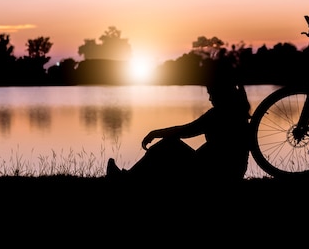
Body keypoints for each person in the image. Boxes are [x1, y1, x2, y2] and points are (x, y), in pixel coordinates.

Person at [106, 58, 252, 183]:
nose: (210, 98)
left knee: (168, 145)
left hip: (217, 173)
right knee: (169, 146)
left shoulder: (220, 114)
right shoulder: (238, 109)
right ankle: (130, 177)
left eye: (212, 94)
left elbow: (186, 130)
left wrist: (156, 133)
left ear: (222, 93)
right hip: (228, 171)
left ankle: (127, 179)